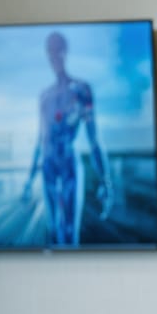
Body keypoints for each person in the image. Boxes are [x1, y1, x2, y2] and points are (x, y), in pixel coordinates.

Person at [22, 31, 113, 245]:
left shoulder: (81, 90)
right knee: (53, 233)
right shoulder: (45, 97)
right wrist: (29, 180)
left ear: (65, 51)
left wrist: (105, 180)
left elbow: (94, 139)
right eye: (50, 52)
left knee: (71, 234)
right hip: (49, 167)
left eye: (58, 50)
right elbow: (40, 139)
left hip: (70, 165)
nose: (54, 57)